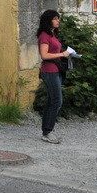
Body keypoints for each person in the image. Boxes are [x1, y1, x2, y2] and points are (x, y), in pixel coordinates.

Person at [37, 9, 71, 144]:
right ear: (48, 20)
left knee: (52, 101)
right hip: (49, 71)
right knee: (57, 101)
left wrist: (65, 54)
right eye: (55, 18)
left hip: (55, 70)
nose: (58, 21)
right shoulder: (44, 36)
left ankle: (47, 130)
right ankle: (48, 132)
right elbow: (44, 55)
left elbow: (53, 51)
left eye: (58, 18)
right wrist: (62, 55)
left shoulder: (52, 35)